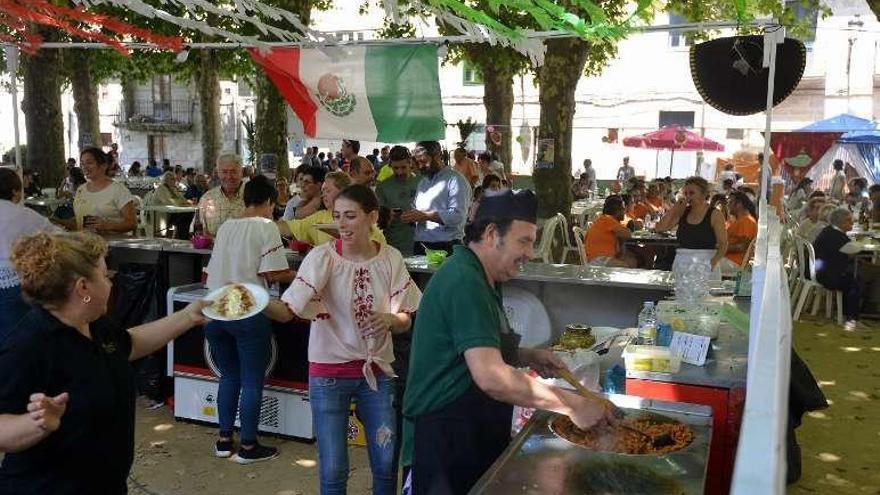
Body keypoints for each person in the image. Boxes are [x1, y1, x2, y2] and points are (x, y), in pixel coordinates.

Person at [403, 189, 618, 494]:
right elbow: (491, 377)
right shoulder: (464, 280)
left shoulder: (485, 277)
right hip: (446, 438)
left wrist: (526, 355)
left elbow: (470, 348)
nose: (530, 253)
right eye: (525, 241)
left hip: (474, 428)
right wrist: (573, 405)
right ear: (492, 234)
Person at [0, 231, 208, 492]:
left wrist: (188, 317)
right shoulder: (28, 345)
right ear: (83, 288)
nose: (110, 279)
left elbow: (129, 344)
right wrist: (37, 424)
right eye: (104, 272)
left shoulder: (95, 325)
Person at [281, 184, 422, 495]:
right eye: (337, 216)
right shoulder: (321, 258)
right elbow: (289, 308)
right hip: (328, 373)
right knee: (333, 467)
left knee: (385, 463)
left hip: (378, 373)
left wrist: (390, 319)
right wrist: (250, 302)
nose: (341, 224)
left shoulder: (391, 258)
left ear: (372, 217)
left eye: (350, 216)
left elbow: (405, 318)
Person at [203, 175, 294, 464]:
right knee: (252, 380)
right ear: (268, 202)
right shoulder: (266, 226)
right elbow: (273, 273)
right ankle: (250, 446)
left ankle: (224, 439)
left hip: (216, 310)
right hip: (247, 310)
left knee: (229, 375)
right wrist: (302, 274)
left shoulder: (227, 226)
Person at [0, 169, 61, 338]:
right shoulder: (23, 214)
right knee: (15, 337)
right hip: (12, 283)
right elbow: (58, 236)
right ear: (15, 191)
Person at [278, 172, 386, 247]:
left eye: (328, 191)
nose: (323, 195)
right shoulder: (321, 217)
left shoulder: (364, 219)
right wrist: (263, 223)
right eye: (323, 191)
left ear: (343, 192)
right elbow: (289, 228)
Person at [402, 141, 471, 254]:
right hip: (421, 244)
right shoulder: (423, 182)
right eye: (417, 162)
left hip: (446, 244)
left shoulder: (455, 180)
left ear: (438, 156)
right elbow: (418, 211)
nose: (420, 166)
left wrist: (425, 215)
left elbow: (457, 217)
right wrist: (411, 217)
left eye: (424, 161)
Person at [53, 147, 136, 234]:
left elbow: (132, 223)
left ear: (103, 166)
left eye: (89, 163)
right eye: (82, 164)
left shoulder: (118, 190)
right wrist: (58, 222)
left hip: (112, 245)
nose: (85, 167)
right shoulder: (81, 190)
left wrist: (107, 225)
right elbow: (79, 222)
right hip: (86, 243)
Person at [655, 176, 728, 271]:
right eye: (686, 193)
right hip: (682, 262)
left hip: (706, 262)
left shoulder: (715, 214)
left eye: (692, 193)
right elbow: (660, 228)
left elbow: (723, 244)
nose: (688, 196)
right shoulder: (683, 211)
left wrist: (712, 263)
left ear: (704, 194)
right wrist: (674, 209)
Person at [813, 208, 864, 326]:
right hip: (828, 276)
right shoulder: (838, 237)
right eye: (848, 220)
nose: (852, 223)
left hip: (820, 270)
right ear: (840, 222)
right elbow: (852, 252)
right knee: (854, 283)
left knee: (855, 277)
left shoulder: (828, 230)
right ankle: (852, 318)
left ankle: (846, 312)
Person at [376, 146, 420, 256]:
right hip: (394, 245)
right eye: (395, 168)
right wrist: (387, 215)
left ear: (410, 162)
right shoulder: (383, 187)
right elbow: (377, 221)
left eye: (403, 167)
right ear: (390, 165)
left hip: (421, 243)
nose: (399, 172)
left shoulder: (422, 182)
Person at [196, 153, 246, 237]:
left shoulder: (254, 197)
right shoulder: (207, 198)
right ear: (218, 173)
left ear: (241, 172)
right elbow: (199, 232)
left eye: (233, 171)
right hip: (214, 249)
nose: (229, 176)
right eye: (224, 172)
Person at [584, 195, 636, 267]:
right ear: (618, 211)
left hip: (604, 257)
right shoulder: (607, 219)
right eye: (623, 209)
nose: (625, 212)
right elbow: (627, 234)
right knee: (626, 267)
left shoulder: (608, 220)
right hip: (598, 259)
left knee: (632, 260)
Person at [719, 191, 758, 271]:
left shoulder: (747, 221)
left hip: (734, 262)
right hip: (727, 258)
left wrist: (720, 248)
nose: (728, 205)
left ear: (739, 204)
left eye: (730, 202)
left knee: (702, 264)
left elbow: (742, 247)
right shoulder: (739, 220)